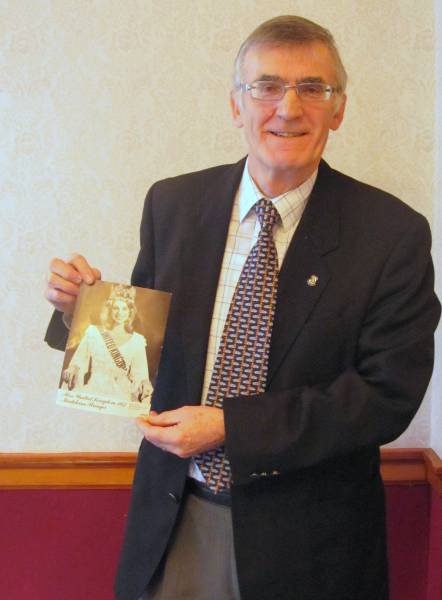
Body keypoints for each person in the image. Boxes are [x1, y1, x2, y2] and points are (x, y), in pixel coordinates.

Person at [44, 15, 441, 600]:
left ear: (339, 109)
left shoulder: (391, 235)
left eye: (313, 88)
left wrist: (229, 427)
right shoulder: (173, 205)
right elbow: (147, 358)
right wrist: (81, 312)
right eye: (266, 86)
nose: (288, 107)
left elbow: (387, 398)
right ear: (236, 105)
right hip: (176, 519)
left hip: (310, 546)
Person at [61, 284, 152, 404]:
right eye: (116, 308)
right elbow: (79, 360)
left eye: (124, 309)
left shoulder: (137, 341)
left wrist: (144, 382)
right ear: (110, 309)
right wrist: (74, 368)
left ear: (130, 312)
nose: (120, 313)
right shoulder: (93, 332)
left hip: (122, 395)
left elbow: (140, 374)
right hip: (94, 391)